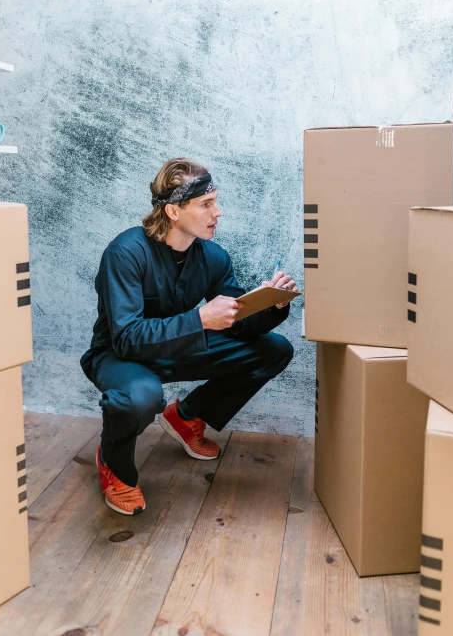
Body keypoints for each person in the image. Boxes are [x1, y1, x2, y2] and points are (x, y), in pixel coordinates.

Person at [80, 158, 297, 515]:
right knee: (138, 398)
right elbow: (126, 338)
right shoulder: (125, 253)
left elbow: (237, 323)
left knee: (274, 350)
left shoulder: (212, 256)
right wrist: (199, 319)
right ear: (173, 211)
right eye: (206, 204)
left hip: (180, 347)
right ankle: (114, 464)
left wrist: (272, 304)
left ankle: (185, 416)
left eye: (215, 201)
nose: (218, 211)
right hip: (121, 356)